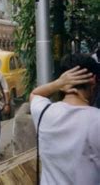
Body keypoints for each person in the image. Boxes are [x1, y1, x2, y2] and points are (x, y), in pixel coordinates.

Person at [30, 54, 100, 185]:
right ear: (93, 80)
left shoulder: (43, 112)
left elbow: (35, 94)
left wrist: (57, 84)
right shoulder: (96, 120)